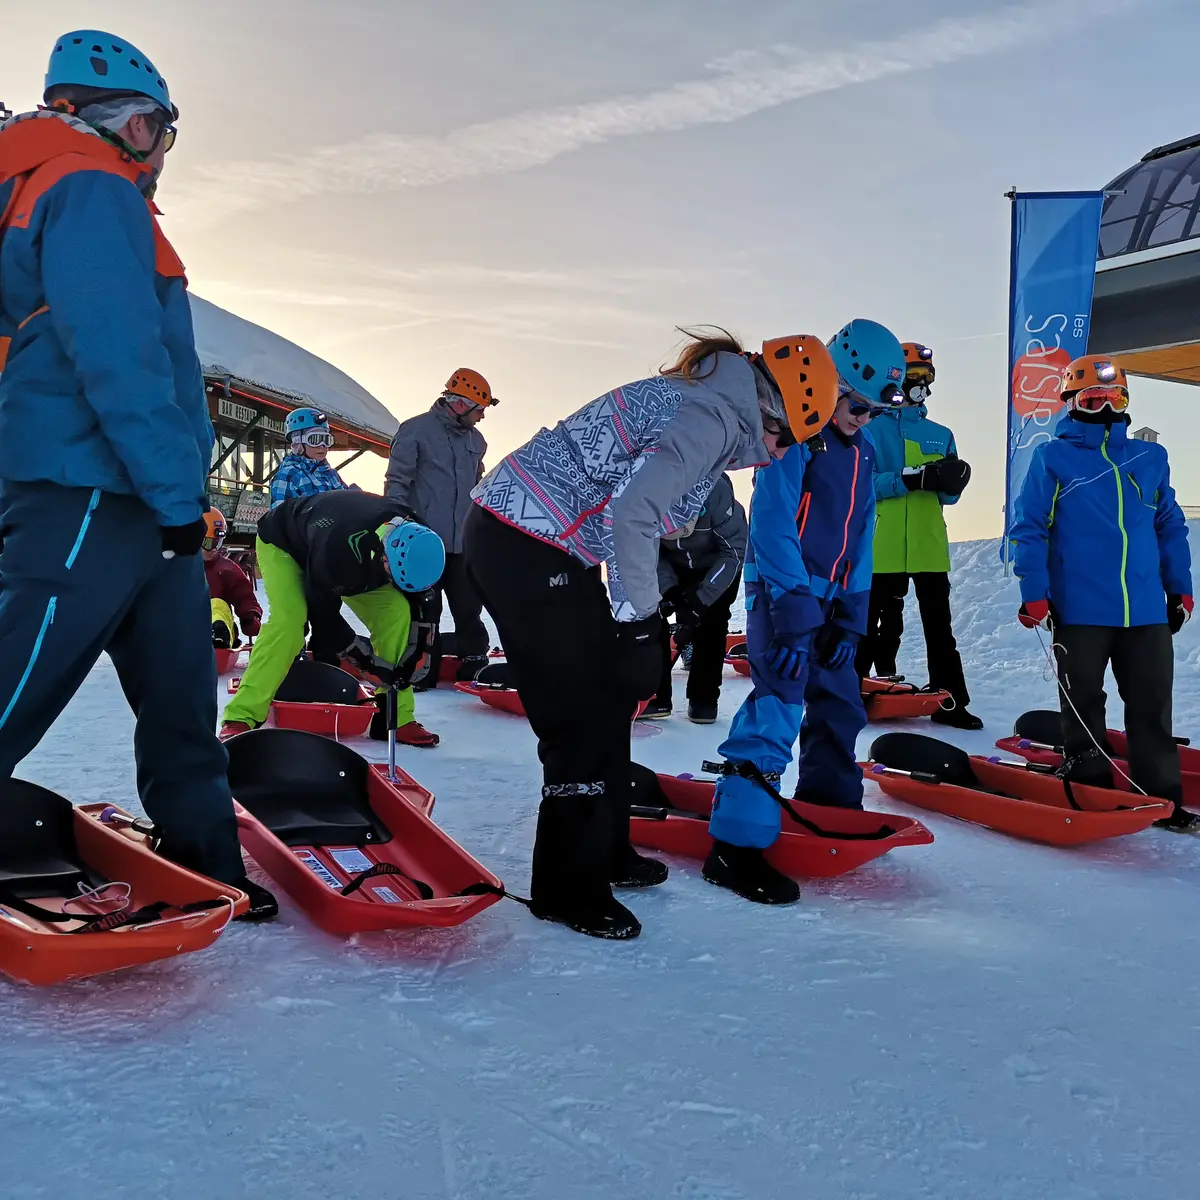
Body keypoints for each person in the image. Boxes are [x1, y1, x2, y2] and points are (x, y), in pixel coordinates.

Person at [0, 30, 275, 918]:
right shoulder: (84, 181)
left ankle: (205, 857)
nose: (160, 151)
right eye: (154, 128)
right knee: (19, 678)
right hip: (90, 484)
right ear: (103, 116)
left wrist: (179, 505)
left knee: (181, 693)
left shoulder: (81, 185)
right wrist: (170, 495)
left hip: (145, 499)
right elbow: (117, 357)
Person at [467, 327, 840, 940]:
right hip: (524, 542)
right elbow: (631, 513)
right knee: (579, 714)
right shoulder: (712, 417)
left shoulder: (709, 398)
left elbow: (639, 506)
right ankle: (566, 887)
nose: (776, 455)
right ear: (769, 406)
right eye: (782, 438)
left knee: (612, 696)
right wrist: (640, 621)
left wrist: (641, 613)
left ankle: (607, 850)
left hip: (547, 541)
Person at [706, 320, 906, 905]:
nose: (862, 419)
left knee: (840, 705)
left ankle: (829, 810)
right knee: (779, 702)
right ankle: (735, 846)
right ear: (835, 383)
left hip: (832, 601)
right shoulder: (798, 436)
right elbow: (770, 518)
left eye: (872, 412)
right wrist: (792, 600)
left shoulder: (864, 454)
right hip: (781, 592)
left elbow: (863, 535)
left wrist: (851, 613)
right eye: (857, 405)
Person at [1012, 355, 1197, 833]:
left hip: (1145, 610)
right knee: (1084, 704)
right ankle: (1091, 786)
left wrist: (1180, 587)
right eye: (1092, 398)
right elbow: (1030, 528)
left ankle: (1162, 799)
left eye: (1112, 397)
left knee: (1151, 705)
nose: (1103, 406)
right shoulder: (1053, 457)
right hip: (1080, 608)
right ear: (1071, 403)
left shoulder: (1149, 457)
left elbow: (1169, 525)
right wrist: (1035, 592)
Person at [219, 490, 445, 748]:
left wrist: (418, 653)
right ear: (384, 555)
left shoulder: (423, 541)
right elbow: (324, 617)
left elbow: (426, 605)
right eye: (391, 575)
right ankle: (242, 715)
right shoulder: (338, 551)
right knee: (289, 623)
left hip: (351, 556)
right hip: (286, 545)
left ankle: (395, 717)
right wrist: (367, 664)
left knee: (396, 613)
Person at [855, 343, 980, 729]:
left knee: (939, 629)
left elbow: (949, 496)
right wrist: (908, 479)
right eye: (912, 377)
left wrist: (952, 480)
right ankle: (846, 695)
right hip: (881, 545)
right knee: (866, 626)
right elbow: (860, 486)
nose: (919, 385)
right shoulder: (870, 430)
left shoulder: (940, 434)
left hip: (928, 547)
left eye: (926, 378)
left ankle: (952, 701)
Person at [385, 369, 494, 687]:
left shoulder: (476, 440)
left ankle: (474, 661)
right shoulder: (415, 431)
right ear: (460, 404)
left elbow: (477, 487)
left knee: (468, 605)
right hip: (424, 542)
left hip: (463, 541)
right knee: (425, 610)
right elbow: (398, 481)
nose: (482, 417)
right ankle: (422, 670)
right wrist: (395, 525)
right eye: (479, 410)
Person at [645, 472, 747, 723]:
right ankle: (654, 696)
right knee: (649, 615)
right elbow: (649, 550)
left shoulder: (718, 494)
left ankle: (704, 699)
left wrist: (701, 599)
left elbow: (733, 551)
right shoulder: (646, 495)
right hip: (672, 566)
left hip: (717, 564)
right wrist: (670, 591)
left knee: (713, 623)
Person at [202, 508, 261, 649]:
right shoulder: (178, 568)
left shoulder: (225, 568)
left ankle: (218, 635)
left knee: (216, 604)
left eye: (219, 543)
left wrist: (250, 616)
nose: (215, 549)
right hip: (186, 629)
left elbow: (243, 594)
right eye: (210, 543)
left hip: (219, 631)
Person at [269, 408, 350, 507]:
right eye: (315, 439)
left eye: (326, 440)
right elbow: (279, 517)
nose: (322, 445)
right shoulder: (288, 475)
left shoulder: (332, 475)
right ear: (298, 443)